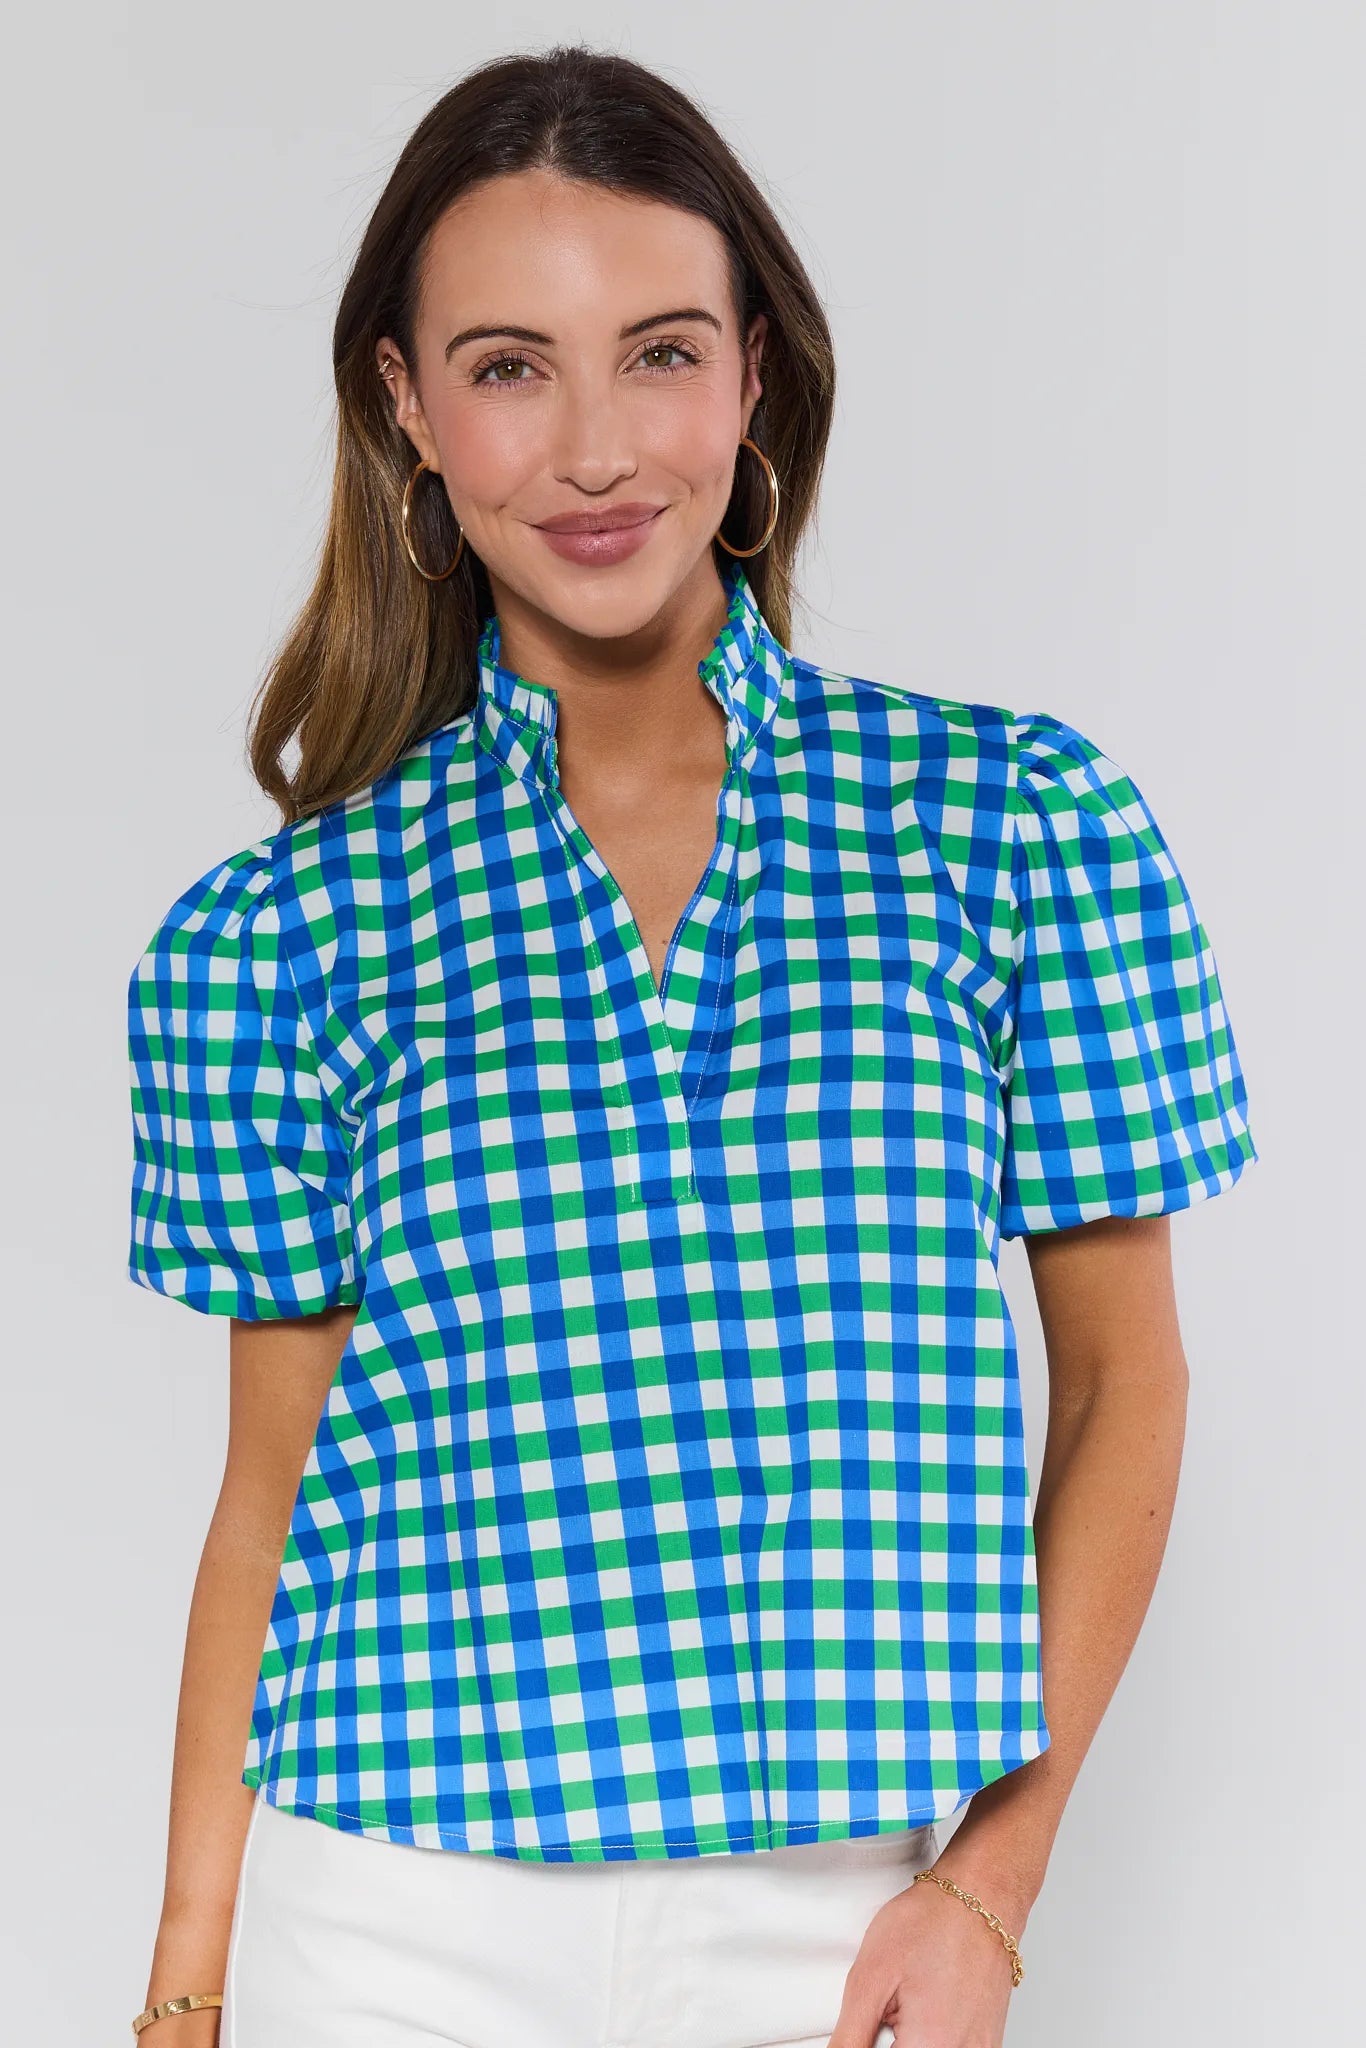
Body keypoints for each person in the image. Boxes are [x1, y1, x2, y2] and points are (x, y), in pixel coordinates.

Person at [123, 43, 1258, 2048]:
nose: (590, 448)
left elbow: (1122, 1387)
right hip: (385, 1917)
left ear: (752, 376)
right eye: (503, 365)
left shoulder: (1017, 828)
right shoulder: (267, 943)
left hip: (842, 1920)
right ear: (402, 405)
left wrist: (983, 1892)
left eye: (656, 353)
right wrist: (190, 1979)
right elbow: (268, 1496)